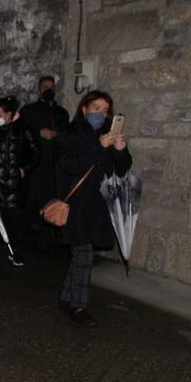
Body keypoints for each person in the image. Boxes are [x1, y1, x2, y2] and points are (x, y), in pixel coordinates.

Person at [55, 90, 132, 327]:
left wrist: (120, 150)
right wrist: (98, 146)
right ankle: (78, 306)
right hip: (77, 203)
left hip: (98, 204)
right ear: (84, 108)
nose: (101, 112)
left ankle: (67, 297)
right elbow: (69, 165)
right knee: (85, 255)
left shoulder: (109, 133)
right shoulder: (70, 133)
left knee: (82, 254)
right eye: (96, 107)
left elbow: (122, 169)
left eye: (105, 109)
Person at [0, 95, 39, 266]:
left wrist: (24, 169)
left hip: (16, 184)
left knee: (15, 220)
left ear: (10, 114)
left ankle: (15, 251)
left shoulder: (24, 130)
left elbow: (36, 153)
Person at [19, 75, 71, 250]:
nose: (49, 89)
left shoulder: (61, 113)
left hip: (54, 164)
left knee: (51, 199)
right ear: (39, 90)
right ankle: (25, 238)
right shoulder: (29, 110)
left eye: (52, 86)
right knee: (31, 198)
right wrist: (38, 132)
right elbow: (20, 131)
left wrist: (59, 136)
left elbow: (67, 134)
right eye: (45, 86)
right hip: (35, 164)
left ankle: (48, 240)